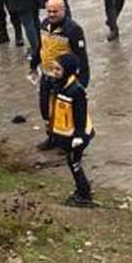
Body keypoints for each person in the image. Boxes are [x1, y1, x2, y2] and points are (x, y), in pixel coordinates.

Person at [32, 0, 89, 148]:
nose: (51, 14)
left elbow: (81, 57)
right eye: (48, 11)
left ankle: (67, 140)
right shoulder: (44, 24)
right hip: (46, 75)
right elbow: (41, 45)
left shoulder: (73, 30)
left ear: (63, 10)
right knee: (46, 109)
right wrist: (34, 62)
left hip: (62, 78)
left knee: (63, 112)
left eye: (55, 11)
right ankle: (51, 137)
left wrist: (82, 81)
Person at [46, 51, 95, 207]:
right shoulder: (61, 85)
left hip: (77, 136)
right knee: (72, 162)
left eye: (58, 70)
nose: (54, 72)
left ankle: (84, 194)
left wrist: (79, 136)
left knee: (75, 164)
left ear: (67, 71)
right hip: (68, 136)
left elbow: (80, 114)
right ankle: (81, 190)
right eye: (54, 69)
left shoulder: (76, 90)